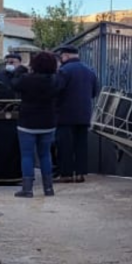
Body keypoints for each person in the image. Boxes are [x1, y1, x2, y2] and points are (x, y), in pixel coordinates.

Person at [12, 51, 62, 198]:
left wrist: (21, 68)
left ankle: (27, 189)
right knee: (45, 154)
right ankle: (48, 188)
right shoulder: (55, 81)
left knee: (27, 155)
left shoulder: (27, 79)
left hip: (27, 121)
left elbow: (13, 84)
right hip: (48, 121)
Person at [54, 44, 100, 184]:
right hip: (84, 114)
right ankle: (80, 173)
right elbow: (95, 92)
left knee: (65, 145)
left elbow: (57, 90)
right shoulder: (90, 70)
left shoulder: (63, 70)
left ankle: (66, 174)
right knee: (81, 145)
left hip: (65, 115)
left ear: (66, 56)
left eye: (61, 56)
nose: (61, 59)